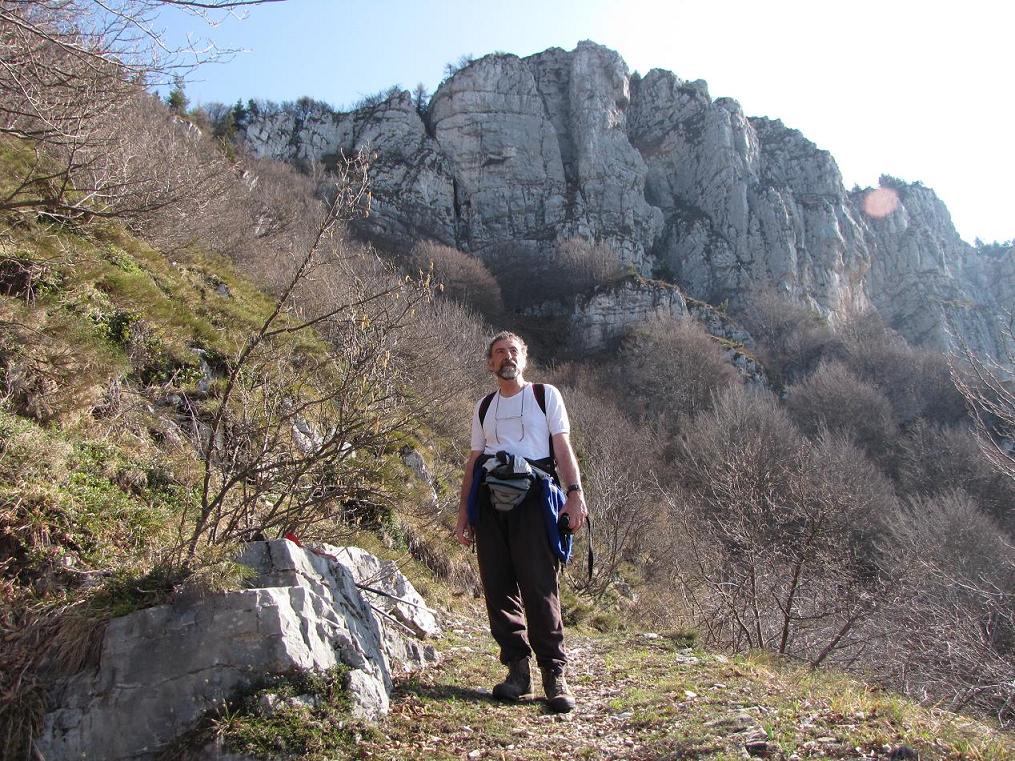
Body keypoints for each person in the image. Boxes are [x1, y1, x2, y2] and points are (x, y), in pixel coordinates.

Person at [456, 331, 588, 713]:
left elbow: (562, 447)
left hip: (535, 499)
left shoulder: (545, 396)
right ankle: (517, 670)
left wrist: (575, 494)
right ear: (489, 363)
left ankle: (554, 673)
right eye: (499, 353)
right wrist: (464, 511)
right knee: (497, 587)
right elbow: (473, 461)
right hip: (490, 501)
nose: (506, 357)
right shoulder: (483, 406)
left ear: (524, 359)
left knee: (539, 585)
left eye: (513, 351)